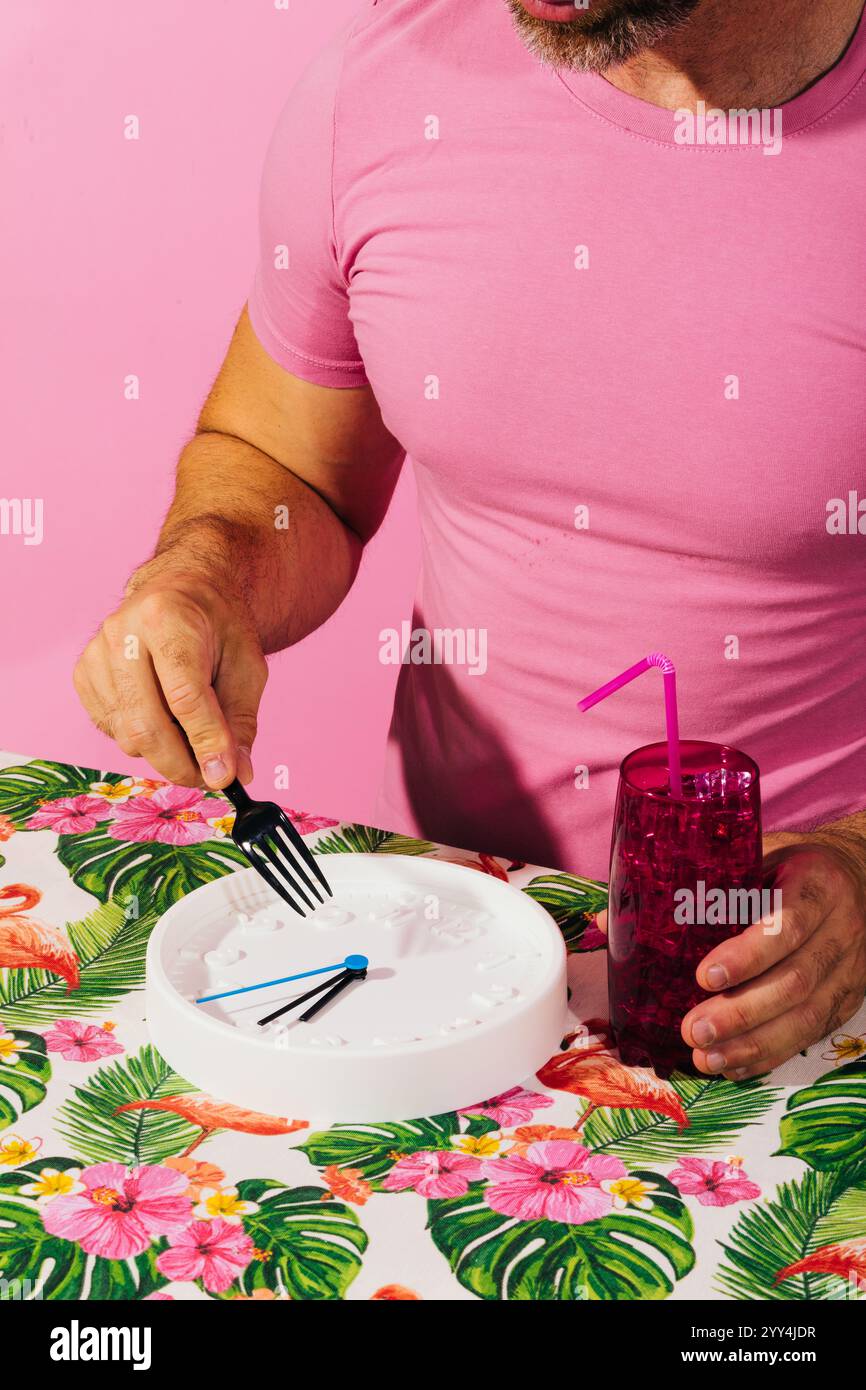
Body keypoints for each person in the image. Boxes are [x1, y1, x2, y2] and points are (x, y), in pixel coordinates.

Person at [74, 0, 866, 1077]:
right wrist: (205, 573)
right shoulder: (384, 87)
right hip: (429, 959)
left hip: (781, 988)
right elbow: (290, 467)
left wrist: (858, 869)